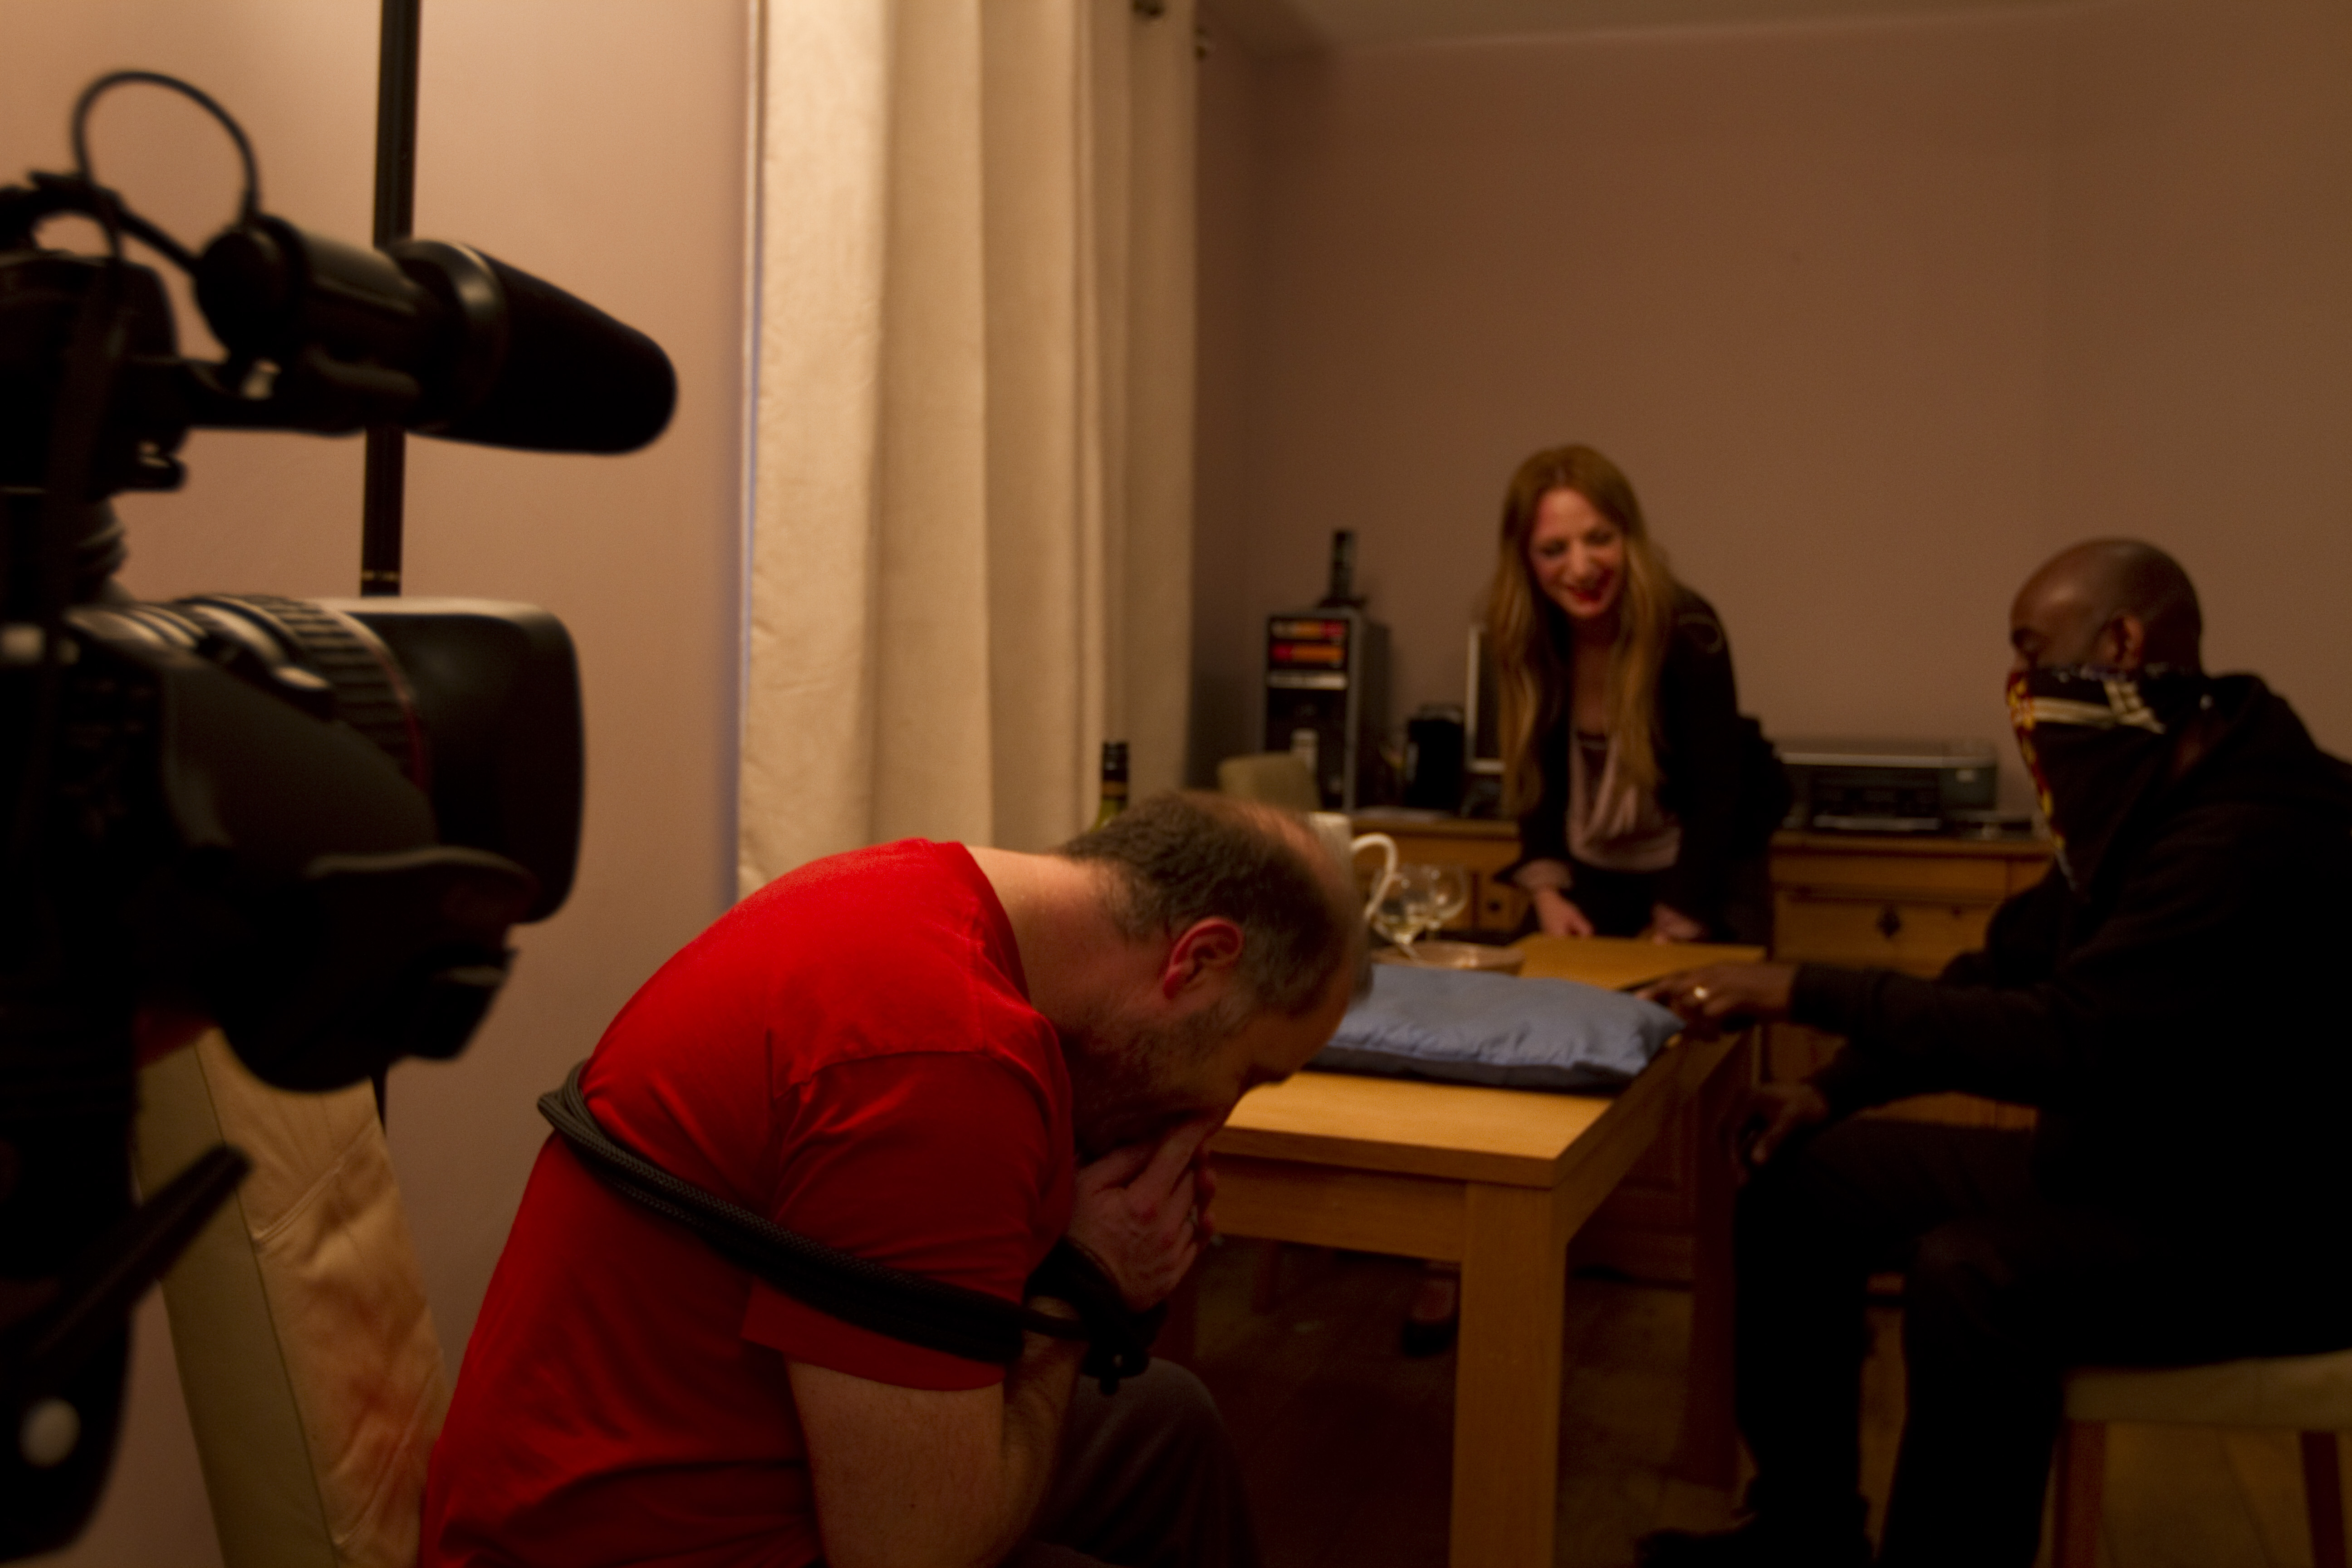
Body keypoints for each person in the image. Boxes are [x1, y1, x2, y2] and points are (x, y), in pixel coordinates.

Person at [1636, 540, 2352, 1567]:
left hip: (2262, 1236)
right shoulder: (2150, 797)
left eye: (2029, 651)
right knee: (1800, 1177)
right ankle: (1803, 1533)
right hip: (2135, 1170)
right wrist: (1830, 1088)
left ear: (2119, 645)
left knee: (1970, 1275)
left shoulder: (2245, 836)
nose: (2017, 685)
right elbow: (2001, 971)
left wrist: (1801, 985)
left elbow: (2066, 1037)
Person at [419, 792, 1365, 1568]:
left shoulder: (912, 897)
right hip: (637, 1548)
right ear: (1198, 959)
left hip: (598, 1484)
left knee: (1165, 1425)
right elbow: (913, 1553)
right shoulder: (943, 1058)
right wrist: (1082, 1288)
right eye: (1247, 1074)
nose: (1218, 1117)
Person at [1485, 444, 1782, 947]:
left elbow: (1717, 795)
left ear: (1629, 537)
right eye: (1554, 550)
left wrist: (1681, 913)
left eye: (1599, 539)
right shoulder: (1525, 638)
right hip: (1592, 871)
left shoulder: (1689, 630)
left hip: (1705, 865)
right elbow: (1535, 783)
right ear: (1525, 558)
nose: (1581, 569)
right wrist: (1548, 896)